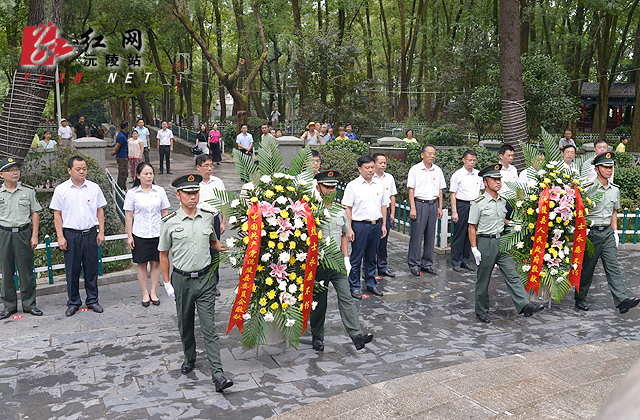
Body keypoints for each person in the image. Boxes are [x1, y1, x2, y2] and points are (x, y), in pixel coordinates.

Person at [158, 173, 233, 392]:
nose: (193, 196)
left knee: (209, 327)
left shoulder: (208, 216)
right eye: (188, 193)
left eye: (196, 192)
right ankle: (189, 357)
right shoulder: (169, 222)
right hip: (181, 280)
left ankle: (218, 375)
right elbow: (163, 254)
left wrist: (239, 249)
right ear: (178, 195)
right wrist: (167, 283)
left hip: (206, 280)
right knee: (186, 323)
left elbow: (214, 243)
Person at [469, 163, 544, 323]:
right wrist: (474, 248)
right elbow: (471, 226)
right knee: (483, 280)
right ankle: (481, 311)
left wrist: (514, 223)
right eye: (494, 179)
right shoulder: (478, 203)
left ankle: (525, 305)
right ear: (485, 182)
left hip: (501, 242)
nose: (498, 182)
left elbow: (501, 219)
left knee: (512, 273)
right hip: (485, 243)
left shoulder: (503, 201)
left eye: (499, 179)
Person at [310, 170, 374, 352]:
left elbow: (344, 236)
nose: (331, 190)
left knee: (346, 297)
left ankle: (357, 335)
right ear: (318, 187)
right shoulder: (312, 211)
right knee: (319, 302)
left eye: (333, 187)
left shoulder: (339, 210)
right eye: (327, 187)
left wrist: (346, 258)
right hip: (320, 261)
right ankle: (317, 335)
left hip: (337, 260)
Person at [575, 152, 640, 314]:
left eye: (611, 167)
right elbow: (580, 212)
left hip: (608, 233)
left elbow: (614, 212)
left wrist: (615, 231)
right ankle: (580, 298)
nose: (609, 170)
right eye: (605, 167)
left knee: (613, 267)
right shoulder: (587, 190)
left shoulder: (614, 190)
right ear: (597, 169)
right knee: (587, 269)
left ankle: (622, 300)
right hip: (592, 233)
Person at [50, 156, 107, 317]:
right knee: (72, 271)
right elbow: (57, 214)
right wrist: (60, 236)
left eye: (84, 168)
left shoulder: (94, 188)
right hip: (71, 235)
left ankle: (93, 300)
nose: (82, 171)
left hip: (90, 234)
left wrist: (101, 232)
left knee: (91, 270)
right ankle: (73, 302)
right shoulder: (61, 189)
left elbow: (99, 211)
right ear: (69, 170)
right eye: (78, 169)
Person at [0, 158, 43, 319]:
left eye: (17, 169)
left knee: (26, 271)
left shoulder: (28, 191)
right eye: (10, 170)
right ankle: (9, 306)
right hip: (4, 233)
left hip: (23, 232)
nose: (15, 172)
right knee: (6, 271)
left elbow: (35, 213)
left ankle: (29, 304)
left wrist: (34, 235)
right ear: (2, 174)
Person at [124, 162, 170, 307]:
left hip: (157, 233)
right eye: (145, 173)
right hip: (140, 233)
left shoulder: (159, 191)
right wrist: (129, 236)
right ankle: (145, 292)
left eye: (151, 173)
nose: (149, 176)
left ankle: (154, 292)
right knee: (142, 264)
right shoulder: (132, 193)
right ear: (138, 176)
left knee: (156, 263)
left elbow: (164, 212)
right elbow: (129, 216)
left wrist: (166, 231)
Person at [342, 155, 389, 299]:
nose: (370, 170)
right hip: (359, 226)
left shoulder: (379, 184)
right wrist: (349, 228)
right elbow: (347, 208)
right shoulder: (353, 186)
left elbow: (383, 205)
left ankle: (371, 283)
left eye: (372, 167)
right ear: (359, 169)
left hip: (375, 225)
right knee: (357, 257)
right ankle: (354, 286)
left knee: (371, 257)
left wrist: (383, 225)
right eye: (367, 168)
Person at [407, 144, 446, 276]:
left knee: (430, 236)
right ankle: (414, 264)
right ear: (422, 154)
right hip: (419, 204)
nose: (432, 156)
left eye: (434, 153)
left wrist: (440, 207)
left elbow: (440, 190)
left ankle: (427, 264)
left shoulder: (438, 170)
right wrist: (413, 208)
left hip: (433, 204)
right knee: (417, 236)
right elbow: (411, 189)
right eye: (429, 153)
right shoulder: (415, 169)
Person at [196, 153, 227, 298]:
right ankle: (201, 284)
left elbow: (223, 202)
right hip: (198, 221)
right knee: (199, 251)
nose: (209, 168)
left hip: (214, 220)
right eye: (206, 165)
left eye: (211, 165)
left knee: (214, 253)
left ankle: (213, 284)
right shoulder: (194, 183)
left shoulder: (218, 181)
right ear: (198, 167)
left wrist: (223, 221)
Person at [449, 150, 482, 272]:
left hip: (474, 205)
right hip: (461, 205)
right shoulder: (457, 175)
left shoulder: (478, 174)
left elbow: (480, 192)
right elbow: (453, 194)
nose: (472, 163)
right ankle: (456, 261)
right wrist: (454, 211)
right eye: (470, 160)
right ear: (464, 160)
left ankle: (465, 260)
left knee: (470, 234)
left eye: (474, 160)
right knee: (459, 234)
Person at [372, 153, 397, 278]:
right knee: (371, 242)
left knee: (383, 241)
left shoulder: (389, 178)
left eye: (385, 163)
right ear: (374, 163)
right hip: (373, 213)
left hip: (385, 212)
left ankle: (382, 266)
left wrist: (392, 213)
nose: (383, 165)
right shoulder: (370, 177)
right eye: (380, 163)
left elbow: (392, 196)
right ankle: (369, 268)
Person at [111, 121, 130, 190]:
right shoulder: (121, 136)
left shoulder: (123, 134)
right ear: (126, 127)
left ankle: (123, 186)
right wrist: (115, 152)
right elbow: (117, 146)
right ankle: (120, 187)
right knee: (122, 172)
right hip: (122, 156)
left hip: (124, 155)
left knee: (124, 173)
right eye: (128, 126)